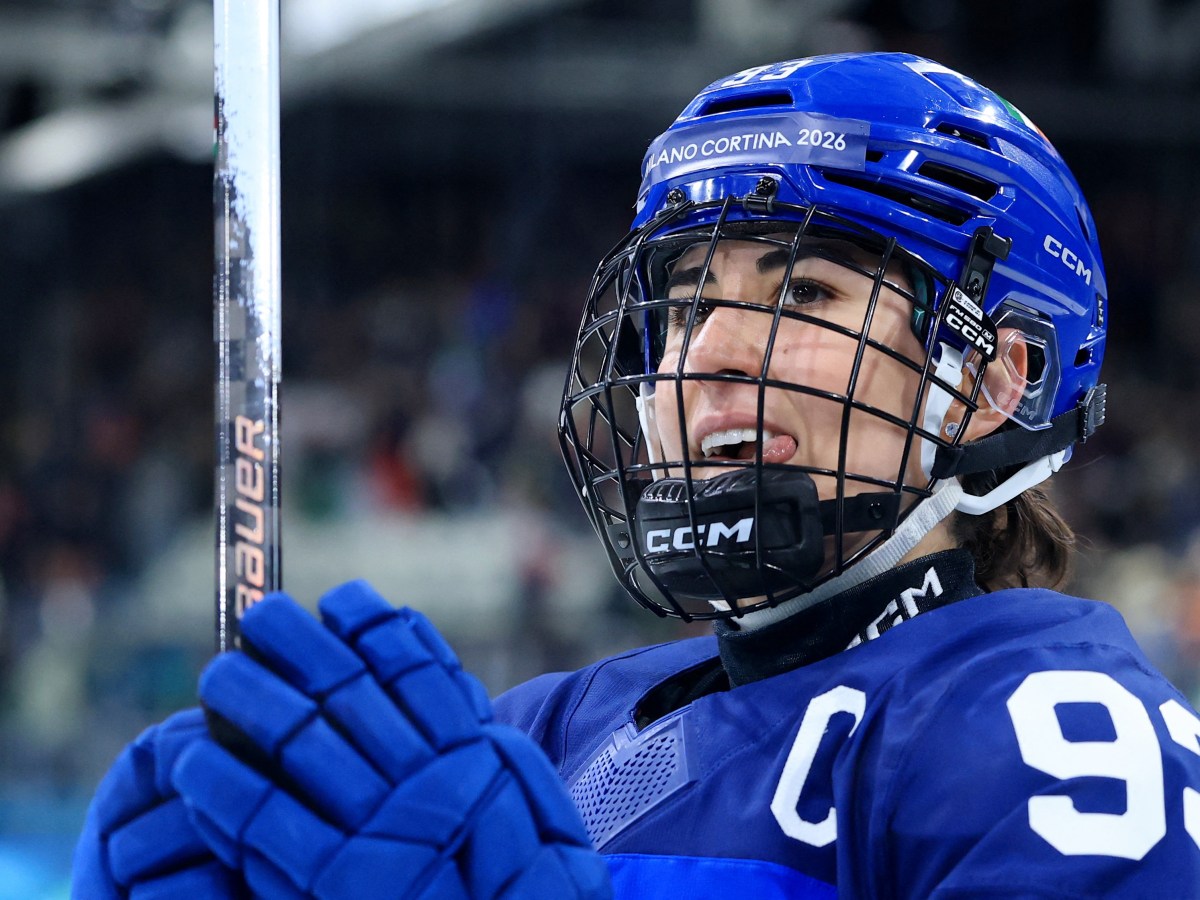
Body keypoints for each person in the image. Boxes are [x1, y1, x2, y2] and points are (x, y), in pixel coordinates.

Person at [72, 52, 1200, 899]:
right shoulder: (541, 735)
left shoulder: (1057, 743)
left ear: (996, 376)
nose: (705, 352)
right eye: (689, 301)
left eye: (801, 295)